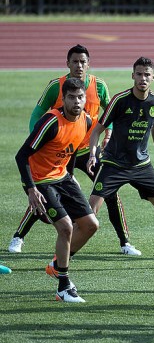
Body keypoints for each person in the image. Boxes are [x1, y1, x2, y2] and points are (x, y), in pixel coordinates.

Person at [8, 44, 139, 256]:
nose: (79, 65)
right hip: (58, 151)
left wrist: (108, 134)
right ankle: (19, 237)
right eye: (75, 61)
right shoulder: (57, 86)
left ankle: (124, 242)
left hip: (87, 151)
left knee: (110, 190)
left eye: (83, 62)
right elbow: (38, 113)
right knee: (44, 191)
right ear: (67, 63)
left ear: (89, 64)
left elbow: (109, 114)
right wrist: (39, 139)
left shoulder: (99, 86)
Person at [86, 57, 154, 271]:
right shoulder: (120, 100)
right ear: (132, 76)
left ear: (153, 77)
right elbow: (98, 129)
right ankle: (60, 261)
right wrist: (92, 154)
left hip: (142, 166)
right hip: (113, 164)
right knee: (90, 214)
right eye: (139, 74)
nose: (142, 78)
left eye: (147, 75)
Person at [15, 77, 99, 302]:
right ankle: (63, 286)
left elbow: (70, 149)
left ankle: (56, 265)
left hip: (62, 177)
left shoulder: (86, 121)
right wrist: (31, 189)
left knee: (91, 225)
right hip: (41, 180)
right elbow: (21, 155)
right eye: (71, 97)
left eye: (80, 97)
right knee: (65, 228)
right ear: (63, 99)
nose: (77, 102)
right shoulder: (51, 122)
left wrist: (71, 176)